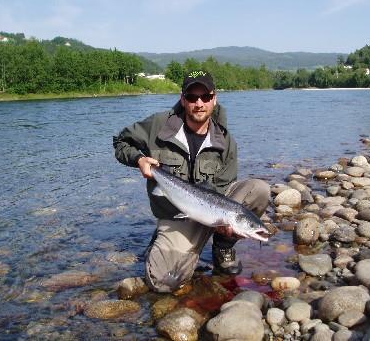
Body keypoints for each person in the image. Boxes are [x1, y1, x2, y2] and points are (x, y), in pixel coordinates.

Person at [113, 71, 270, 293]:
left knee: (260, 190)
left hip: (213, 209)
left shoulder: (226, 141)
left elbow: (222, 189)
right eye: (192, 97)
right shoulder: (158, 125)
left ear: (214, 99)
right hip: (176, 215)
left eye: (205, 97)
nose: (199, 103)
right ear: (182, 98)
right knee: (164, 283)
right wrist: (138, 159)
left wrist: (225, 224)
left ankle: (222, 247)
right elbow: (120, 142)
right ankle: (163, 239)